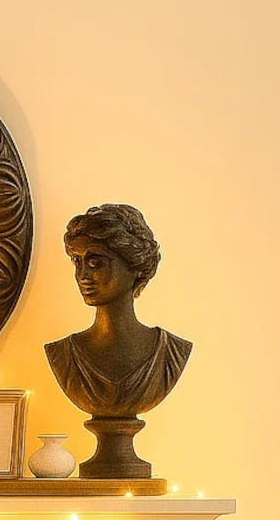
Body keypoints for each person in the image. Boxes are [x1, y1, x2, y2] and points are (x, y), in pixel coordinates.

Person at [44, 204, 191, 477]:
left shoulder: (170, 352)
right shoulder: (64, 354)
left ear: (134, 263)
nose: (83, 276)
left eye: (96, 262)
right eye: (77, 262)